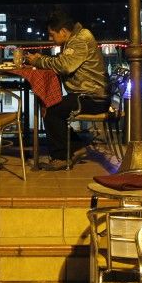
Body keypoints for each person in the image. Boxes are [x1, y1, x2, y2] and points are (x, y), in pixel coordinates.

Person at [24, 10, 109, 171]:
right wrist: (42, 61)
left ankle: (61, 158)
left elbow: (64, 65)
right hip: (89, 94)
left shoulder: (79, 40)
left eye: (52, 34)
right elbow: (64, 62)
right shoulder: (75, 39)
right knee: (55, 107)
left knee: (52, 110)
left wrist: (39, 60)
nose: (50, 39)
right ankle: (75, 145)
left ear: (63, 31)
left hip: (93, 97)